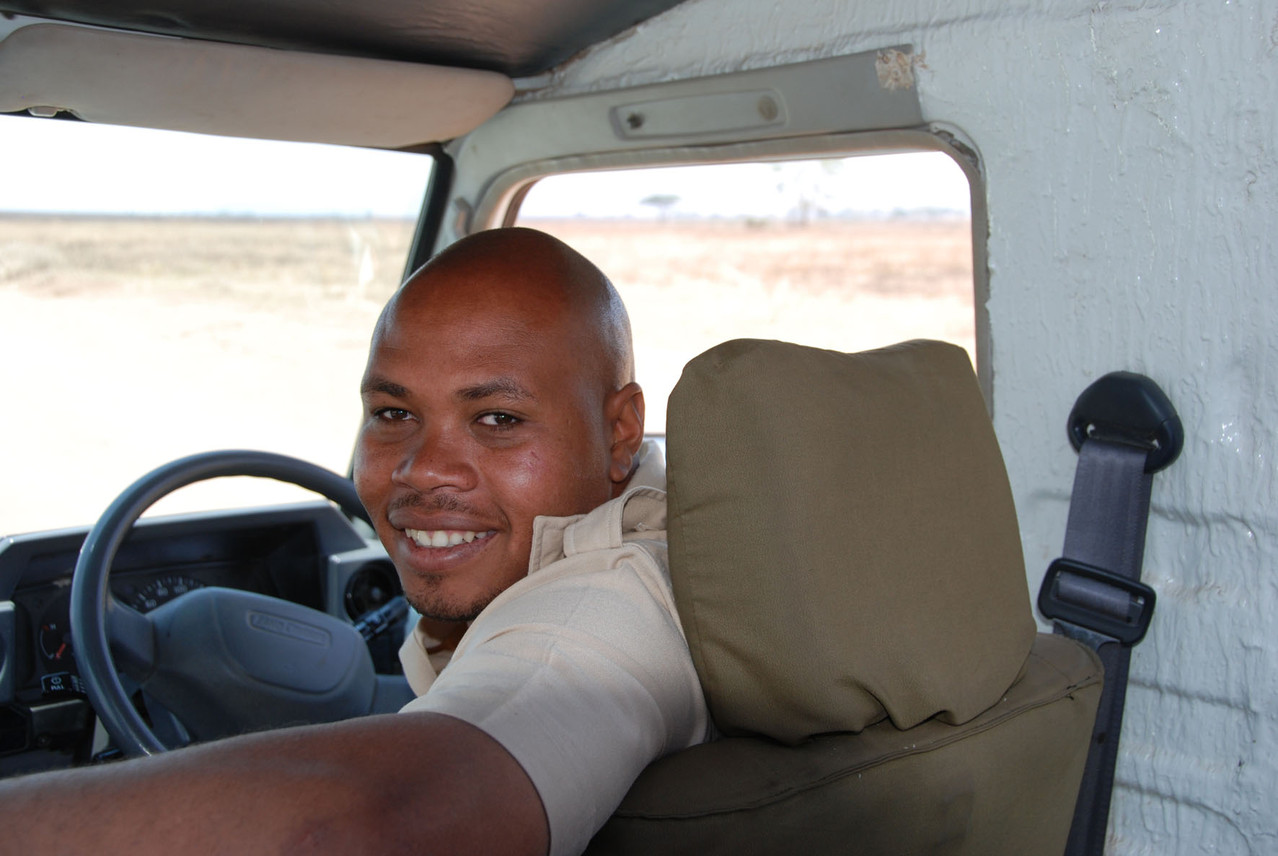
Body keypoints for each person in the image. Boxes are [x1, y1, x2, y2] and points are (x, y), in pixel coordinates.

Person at [0, 228, 711, 855]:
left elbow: (367, 824)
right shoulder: (611, 526)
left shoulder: (611, 599)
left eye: (497, 419)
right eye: (394, 412)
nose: (420, 469)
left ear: (620, 431)